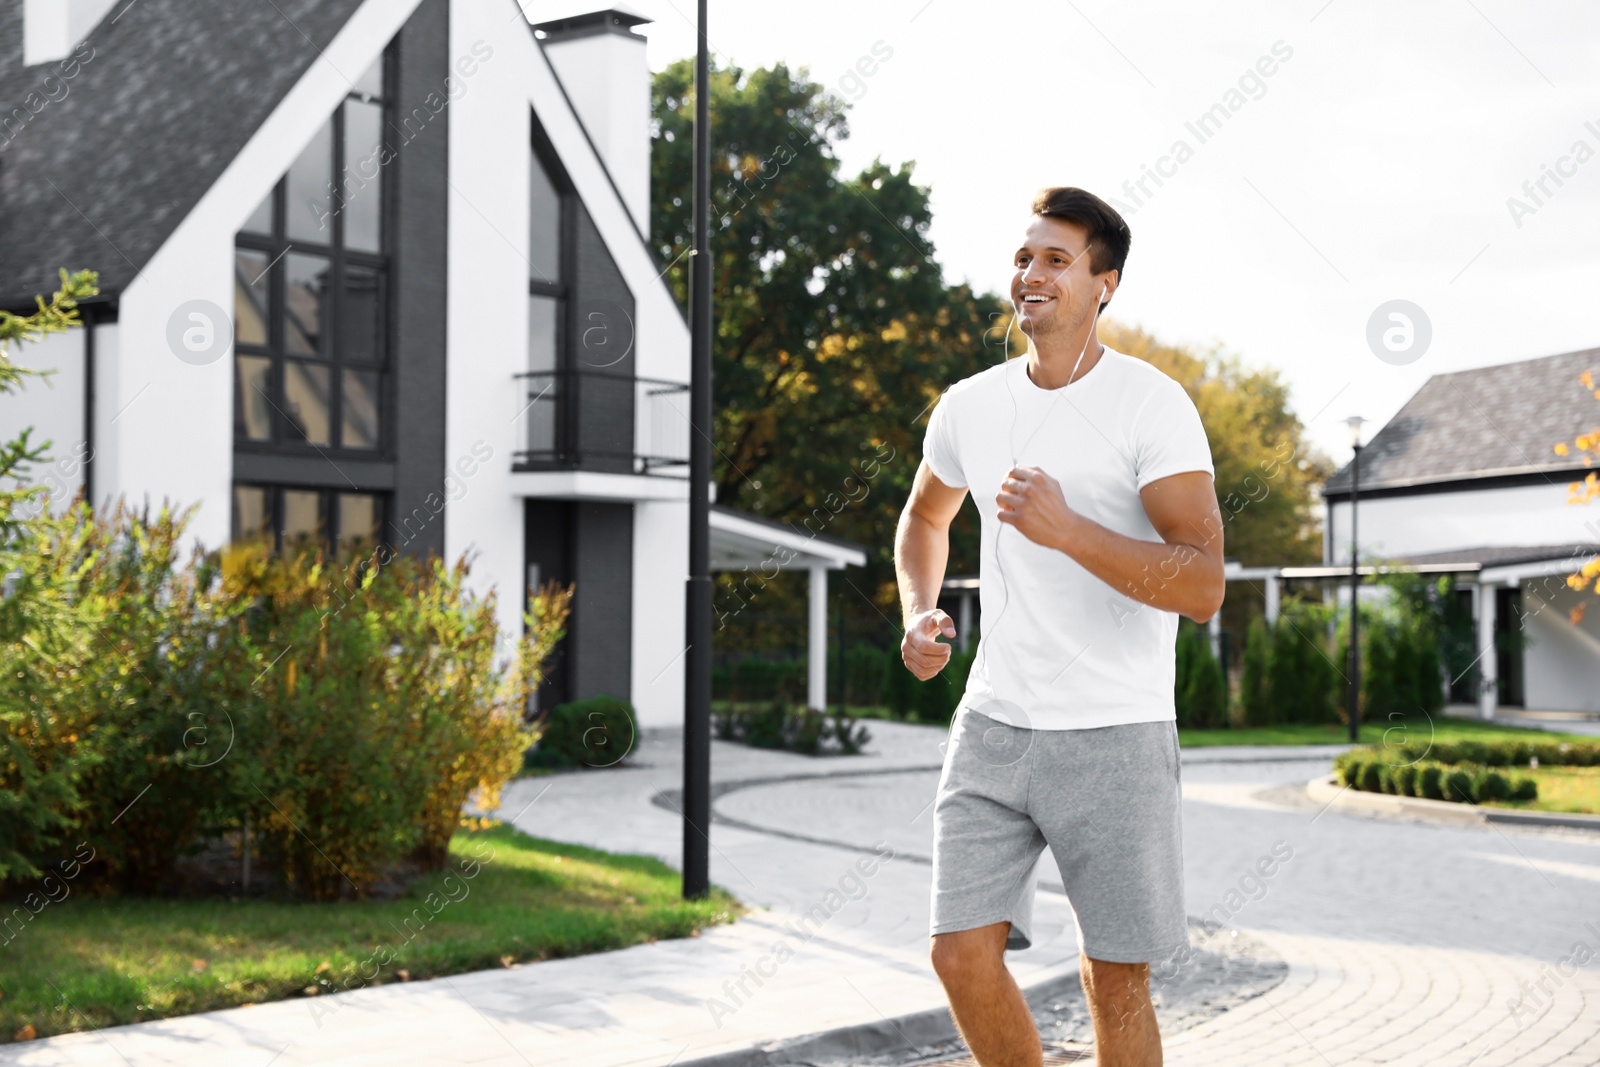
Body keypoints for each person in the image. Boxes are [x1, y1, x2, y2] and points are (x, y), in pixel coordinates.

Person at [893, 187, 1224, 1067]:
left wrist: (1069, 528)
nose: (1030, 273)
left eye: (1056, 259)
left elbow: (1202, 583)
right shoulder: (970, 404)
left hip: (1115, 730)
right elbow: (925, 519)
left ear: (1103, 285)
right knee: (958, 955)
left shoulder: (1151, 406)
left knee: (1114, 977)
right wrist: (917, 611)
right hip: (994, 724)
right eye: (1024, 256)